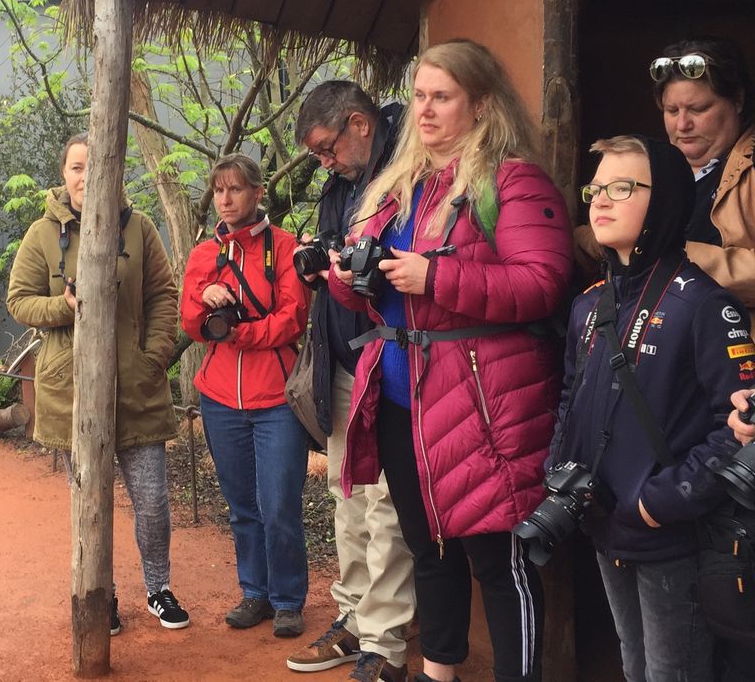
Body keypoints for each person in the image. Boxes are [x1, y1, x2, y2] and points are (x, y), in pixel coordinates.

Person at [328, 39, 573, 682]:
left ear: (482, 104)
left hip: (483, 400)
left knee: (498, 562)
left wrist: (434, 278)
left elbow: (544, 281)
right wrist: (342, 277)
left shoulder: (512, 181)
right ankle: (440, 673)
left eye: (443, 97)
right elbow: (372, 278)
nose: (426, 111)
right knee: (429, 549)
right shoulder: (398, 185)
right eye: (419, 97)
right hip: (403, 397)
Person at [550, 135, 751, 682]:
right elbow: (570, 395)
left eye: (622, 187)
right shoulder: (589, 303)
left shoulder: (706, 305)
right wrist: (559, 469)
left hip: (670, 533)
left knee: (673, 671)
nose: (600, 201)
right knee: (633, 663)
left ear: (662, 200)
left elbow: (737, 430)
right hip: (604, 522)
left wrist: (660, 502)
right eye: (596, 187)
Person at [6, 132, 189, 634]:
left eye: (95, 165)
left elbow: (163, 295)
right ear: (64, 175)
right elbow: (19, 300)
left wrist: (154, 358)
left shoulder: (141, 228)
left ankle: (158, 588)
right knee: (91, 501)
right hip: (72, 393)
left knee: (151, 501)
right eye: (76, 168)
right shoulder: (42, 234)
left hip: (137, 389)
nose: (86, 176)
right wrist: (62, 308)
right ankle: (100, 593)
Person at [285, 82, 415, 682]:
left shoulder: (411, 166)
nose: (324, 162)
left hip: (392, 363)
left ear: (358, 123)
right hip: (344, 359)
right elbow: (345, 259)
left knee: (387, 504)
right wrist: (321, 260)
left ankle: (384, 644)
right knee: (349, 498)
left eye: (326, 149)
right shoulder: (342, 184)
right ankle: (354, 618)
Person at [181, 153, 311, 639]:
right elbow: (191, 325)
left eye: (235, 189)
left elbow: (293, 319)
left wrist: (241, 333)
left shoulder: (285, 247)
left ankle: (288, 599)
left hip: (276, 398)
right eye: (219, 190)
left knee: (279, 504)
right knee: (241, 505)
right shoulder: (203, 255)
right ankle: (254, 591)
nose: (226, 199)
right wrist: (205, 301)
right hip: (219, 399)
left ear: (258, 193)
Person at [575, 37, 755, 313]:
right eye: (672, 111)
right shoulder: (655, 166)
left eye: (698, 109)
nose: (682, 124)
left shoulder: (749, 168)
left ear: (738, 100)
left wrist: (667, 251)